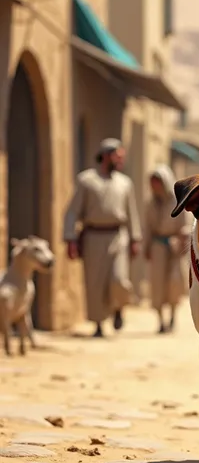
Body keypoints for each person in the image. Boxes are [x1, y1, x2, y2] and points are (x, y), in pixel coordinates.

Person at [63, 138, 142, 338]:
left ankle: (118, 309)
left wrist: (135, 239)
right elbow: (72, 212)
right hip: (93, 237)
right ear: (107, 155)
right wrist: (71, 239)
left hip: (118, 237)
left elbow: (131, 212)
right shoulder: (86, 180)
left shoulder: (125, 183)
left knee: (119, 278)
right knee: (95, 283)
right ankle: (98, 324)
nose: (121, 160)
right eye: (118, 156)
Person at [144, 165, 191, 334]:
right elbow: (148, 227)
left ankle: (172, 316)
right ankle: (160, 320)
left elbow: (185, 225)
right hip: (157, 247)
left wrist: (181, 242)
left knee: (174, 283)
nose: (154, 186)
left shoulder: (178, 201)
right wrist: (146, 247)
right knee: (157, 284)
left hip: (174, 247)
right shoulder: (151, 203)